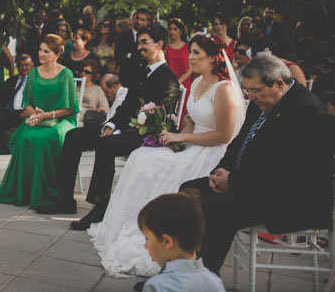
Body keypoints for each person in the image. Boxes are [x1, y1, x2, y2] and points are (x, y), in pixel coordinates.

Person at [88, 33, 245, 277]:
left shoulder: (223, 89)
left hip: (211, 152)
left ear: (214, 58)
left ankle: (158, 232)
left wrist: (183, 138)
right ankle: (131, 223)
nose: (191, 58)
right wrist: (177, 140)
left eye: (196, 53)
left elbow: (224, 136)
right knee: (141, 155)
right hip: (192, 144)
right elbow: (192, 120)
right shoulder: (196, 82)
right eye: (190, 52)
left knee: (148, 163)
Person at [179, 54, 333, 274]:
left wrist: (232, 181)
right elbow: (239, 142)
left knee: (221, 207)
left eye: (255, 90)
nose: (251, 97)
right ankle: (185, 268)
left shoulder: (305, 110)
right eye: (248, 91)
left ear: (279, 83)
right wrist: (218, 173)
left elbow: (286, 174)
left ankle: (202, 278)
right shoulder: (262, 100)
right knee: (189, 191)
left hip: (292, 197)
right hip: (253, 183)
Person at [39, 24, 182, 224]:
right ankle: (64, 199)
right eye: (138, 43)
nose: (139, 47)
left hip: (146, 134)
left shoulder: (168, 79)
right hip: (124, 127)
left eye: (144, 43)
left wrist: (124, 129)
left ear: (159, 44)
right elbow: (127, 106)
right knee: (74, 136)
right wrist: (111, 126)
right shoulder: (142, 71)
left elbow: (160, 119)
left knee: (105, 146)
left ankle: (100, 206)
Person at [0, 34, 78, 208]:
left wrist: (46, 115)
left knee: (46, 137)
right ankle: (24, 192)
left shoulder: (66, 74)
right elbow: (28, 104)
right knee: (25, 136)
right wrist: (34, 115)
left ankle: (47, 192)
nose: (41, 54)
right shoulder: (33, 73)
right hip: (38, 118)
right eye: (40, 50)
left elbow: (69, 109)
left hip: (62, 120)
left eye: (46, 51)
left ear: (57, 54)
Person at [136, 194, 226, 292]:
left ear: (167, 241)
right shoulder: (214, 282)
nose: (145, 246)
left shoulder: (156, 286)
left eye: (147, 239)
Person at [0, 54, 34, 152]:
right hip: (8, 112)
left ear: (32, 66)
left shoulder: (36, 82)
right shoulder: (12, 80)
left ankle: (12, 147)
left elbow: (39, 100)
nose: (23, 68)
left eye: (26, 65)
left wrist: (29, 110)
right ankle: (3, 147)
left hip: (25, 112)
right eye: (20, 65)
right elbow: (2, 95)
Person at [115, 9, 152, 92]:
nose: (139, 22)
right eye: (137, 18)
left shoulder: (151, 38)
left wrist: (131, 56)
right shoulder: (122, 38)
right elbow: (118, 59)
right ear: (132, 18)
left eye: (142, 20)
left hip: (143, 79)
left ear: (147, 22)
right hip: (126, 78)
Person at [164, 18, 192, 123]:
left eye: (175, 29)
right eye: (170, 29)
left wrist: (177, 82)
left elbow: (190, 70)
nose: (172, 32)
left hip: (184, 84)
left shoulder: (187, 47)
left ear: (181, 31)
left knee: (183, 113)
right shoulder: (165, 47)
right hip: (168, 85)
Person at [78, 60, 108, 124]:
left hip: (88, 117)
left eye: (87, 72)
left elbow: (105, 108)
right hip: (74, 115)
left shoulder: (98, 89)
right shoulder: (73, 87)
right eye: (81, 70)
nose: (83, 73)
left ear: (92, 75)